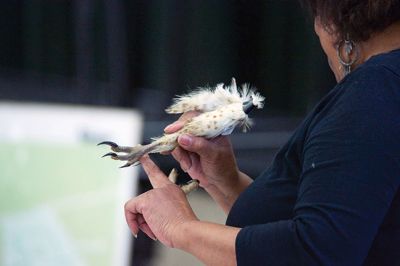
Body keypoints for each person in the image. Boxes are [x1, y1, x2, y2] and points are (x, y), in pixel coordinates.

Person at [124, 1, 400, 265]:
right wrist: (223, 180)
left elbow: (313, 254)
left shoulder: (375, 90)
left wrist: (180, 228)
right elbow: (341, 231)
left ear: (334, 22)